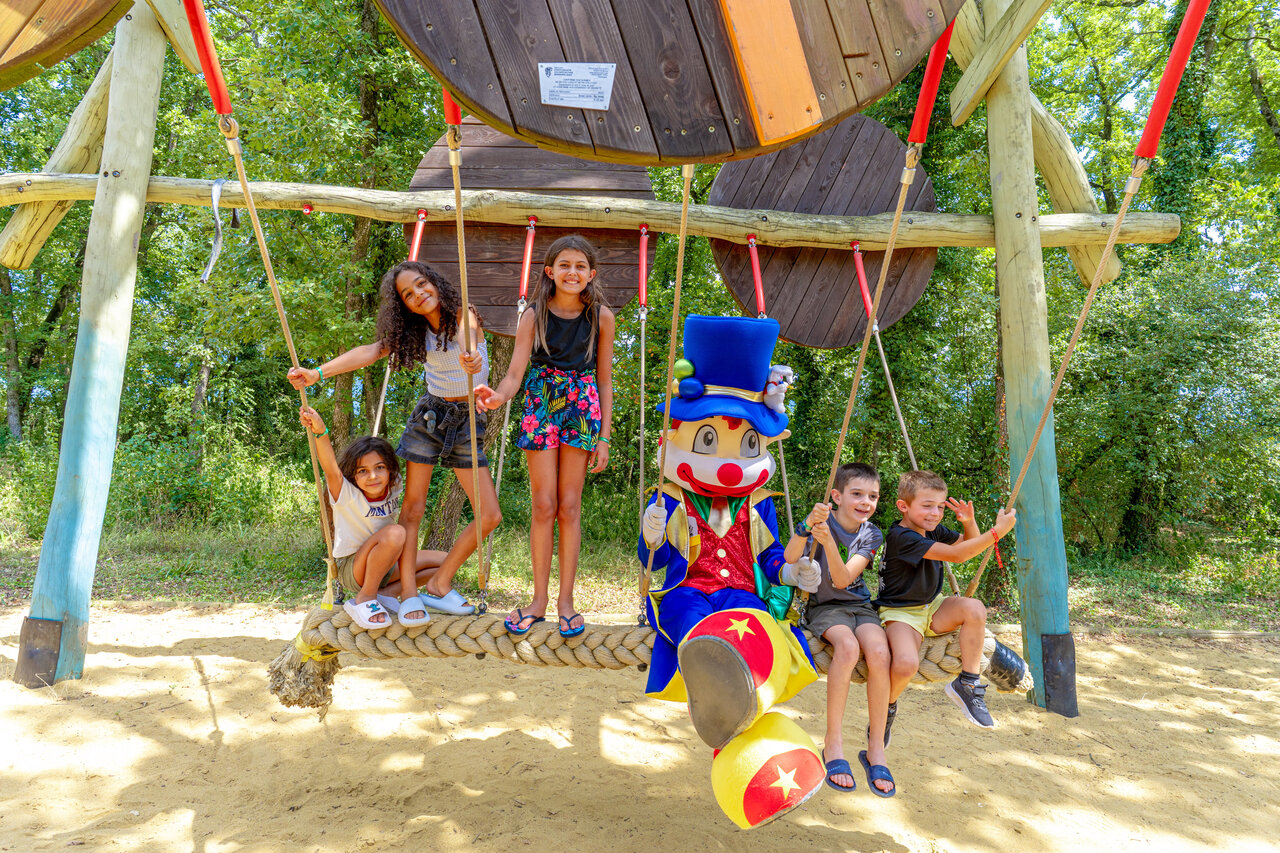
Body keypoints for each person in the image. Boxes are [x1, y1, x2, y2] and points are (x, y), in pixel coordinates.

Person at [288, 260, 501, 626]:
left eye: (421, 285)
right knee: (413, 510)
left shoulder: (464, 315)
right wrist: (316, 373)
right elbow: (370, 352)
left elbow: (469, 343)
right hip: (431, 417)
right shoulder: (415, 331)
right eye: (408, 294)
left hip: (467, 421)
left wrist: (473, 360)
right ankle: (409, 595)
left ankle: (438, 583)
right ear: (403, 304)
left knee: (490, 515)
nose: (419, 294)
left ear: (434, 282)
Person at [475, 235, 614, 639]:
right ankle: (538, 600)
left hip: (583, 405)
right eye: (565, 265)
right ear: (550, 272)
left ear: (591, 274)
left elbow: (604, 381)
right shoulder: (533, 315)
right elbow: (516, 373)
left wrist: (603, 436)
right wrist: (498, 396)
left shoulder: (602, 317)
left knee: (570, 507)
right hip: (542, 403)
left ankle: (565, 602)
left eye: (581, 266)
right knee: (543, 505)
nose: (573, 272)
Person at [784, 462, 895, 796]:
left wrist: (829, 542)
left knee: (878, 651)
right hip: (824, 608)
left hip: (860, 605)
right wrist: (806, 527)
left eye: (872, 496)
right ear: (837, 496)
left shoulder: (870, 533)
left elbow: (844, 578)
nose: (866, 502)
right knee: (847, 648)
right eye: (857, 494)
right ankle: (833, 743)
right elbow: (790, 558)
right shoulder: (821, 522)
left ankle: (876, 748)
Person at [877, 470, 1016, 733]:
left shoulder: (932, 529)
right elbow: (958, 555)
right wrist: (997, 532)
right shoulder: (902, 537)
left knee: (974, 608)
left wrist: (968, 522)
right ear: (903, 507)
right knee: (906, 664)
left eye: (940, 507)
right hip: (901, 611)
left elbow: (970, 544)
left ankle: (969, 683)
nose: (935, 513)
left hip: (932, 604)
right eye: (927, 506)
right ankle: (888, 706)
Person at [298, 405, 445, 628]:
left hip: (386, 564)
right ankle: (365, 597)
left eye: (379, 467)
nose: (373, 476)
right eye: (363, 471)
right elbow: (330, 468)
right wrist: (320, 431)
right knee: (396, 532)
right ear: (353, 475)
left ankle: (386, 594)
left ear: (390, 470)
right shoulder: (345, 493)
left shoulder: (394, 484)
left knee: (446, 562)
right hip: (353, 568)